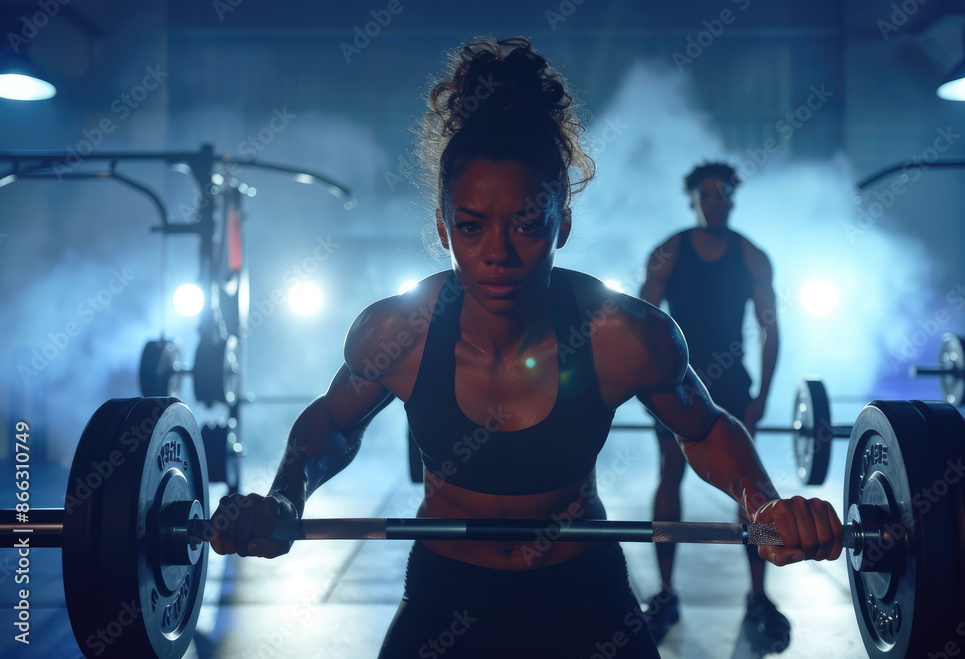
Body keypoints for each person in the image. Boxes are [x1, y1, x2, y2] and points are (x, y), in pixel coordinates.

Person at [208, 39, 841, 658]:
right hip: (446, 591)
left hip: (584, 590)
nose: (497, 253)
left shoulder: (625, 336)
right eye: (472, 226)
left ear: (563, 220)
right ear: (442, 226)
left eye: (528, 223)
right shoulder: (396, 333)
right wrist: (285, 496)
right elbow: (332, 424)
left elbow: (703, 430)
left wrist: (765, 504)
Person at [638, 162, 786, 648]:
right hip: (680, 384)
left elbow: (770, 329)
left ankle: (759, 595)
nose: (715, 201)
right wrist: (650, 383)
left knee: (751, 487)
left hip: (732, 386)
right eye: (707, 194)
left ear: (732, 197)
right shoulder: (668, 252)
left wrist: (762, 395)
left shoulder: (752, 256)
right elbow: (639, 321)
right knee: (669, 476)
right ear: (694, 199)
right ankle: (664, 593)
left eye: (723, 194)